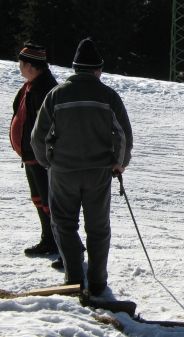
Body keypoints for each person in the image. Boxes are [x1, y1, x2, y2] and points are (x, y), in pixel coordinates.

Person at [31, 38, 133, 296]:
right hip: (98, 172)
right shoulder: (108, 96)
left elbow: (38, 137)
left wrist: (48, 163)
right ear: (97, 69)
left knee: (64, 224)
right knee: (98, 227)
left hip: (63, 172)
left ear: (75, 68)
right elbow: (122, 135)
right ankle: (97, 281)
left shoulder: (56, 95)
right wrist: (119, 164)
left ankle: (74, 277)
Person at [10, 42, 59, 257]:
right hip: (31, 155)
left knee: (48, 201)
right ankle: (48, 239)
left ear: (32, 66)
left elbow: (49, 127)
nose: (19, 67)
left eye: (21, 63)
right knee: (39, 199)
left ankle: (57, 243)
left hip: (41, 157)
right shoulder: (33, 84)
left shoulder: (44, 88)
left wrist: (43, 153)